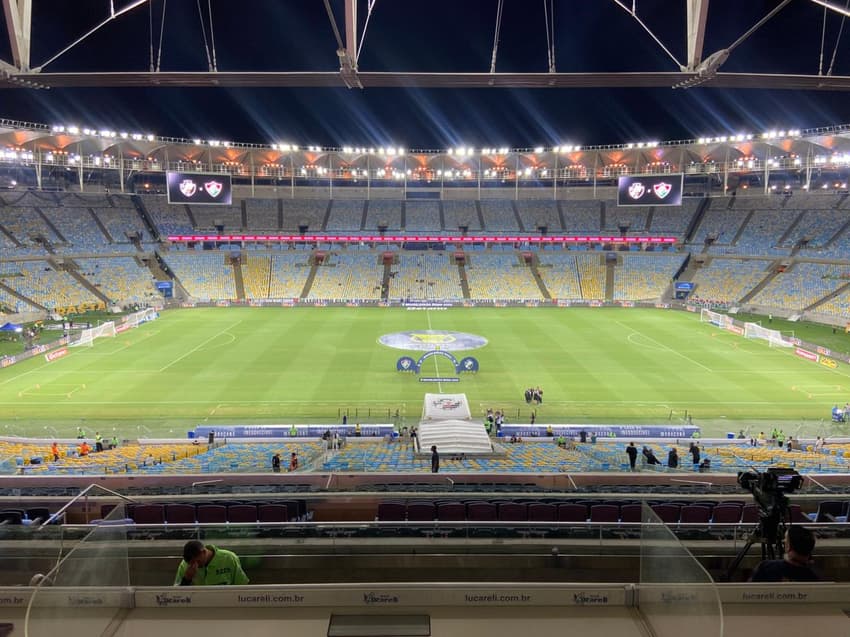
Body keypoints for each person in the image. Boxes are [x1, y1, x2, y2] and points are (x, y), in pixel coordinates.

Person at [750, 526, 819, 582]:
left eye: (785, 541)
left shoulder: (765, 568)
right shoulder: (814, 578)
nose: (783, 542)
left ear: (788, 546)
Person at [174, 540, 249, 586]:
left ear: (203, 552)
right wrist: (187, 579)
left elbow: (242, 585)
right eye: (190, 563)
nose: (194, 565)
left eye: (197, 561)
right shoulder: (185, 565)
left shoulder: (229, 558)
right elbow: (177, 595)